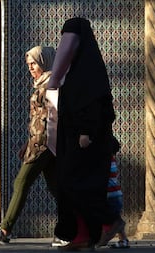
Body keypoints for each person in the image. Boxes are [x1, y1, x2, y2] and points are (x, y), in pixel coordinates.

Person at [46, 17, 123, 250]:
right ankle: (81, 237)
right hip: (72, 139)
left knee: (80, 185)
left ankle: (110, 222)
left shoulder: (90, 70)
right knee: (68, 187)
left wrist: (86, 131)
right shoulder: (73, 71)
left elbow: (97, 105)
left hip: (87, 140)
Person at [0, 46, 63, 245]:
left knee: (21, 182)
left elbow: (56, 116)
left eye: (34, 63)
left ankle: (5, 229)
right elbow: (39, 118)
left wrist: (44, 143)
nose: (31, 68)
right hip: (40, 143)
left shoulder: (52, 84)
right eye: (29, 64)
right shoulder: (43, 83)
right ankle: (76, 227)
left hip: (44, 144)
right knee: (57, 188)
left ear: (44, 62)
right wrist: (28, 142)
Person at [98, 136, 129, 248]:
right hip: (116, 195)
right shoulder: (111, 159)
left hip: (109, 196)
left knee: (113, 220)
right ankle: (123, 240)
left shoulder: (105, 160)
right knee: (116, 217)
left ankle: (105, 238)